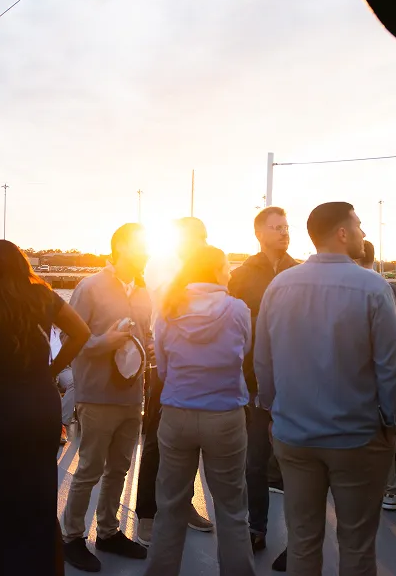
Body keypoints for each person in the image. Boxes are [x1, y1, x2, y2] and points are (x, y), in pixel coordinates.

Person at [255, 202, 396, 576]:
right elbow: (390, 368)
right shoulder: (374, 287)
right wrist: (391, 422)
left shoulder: (279, 285)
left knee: (303, 540)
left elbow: (263, 359)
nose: (363, 233)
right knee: (356, 545)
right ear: (342, 233)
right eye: (358, 225)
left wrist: (275, 412)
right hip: (356, 438)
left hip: (294, 436)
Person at [0, 240, 91, 575]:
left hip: (2, 414)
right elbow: (81, 332)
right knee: (39, 496)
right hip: (42, 409)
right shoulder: (45, 298)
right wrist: (50, 371)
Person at [142, 246, 254, 576]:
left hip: (176, 414)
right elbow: (243, 354)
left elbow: (162, 368)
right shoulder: (237, 310)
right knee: (232, 509)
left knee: (170, 507)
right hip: (225, 416)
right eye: (226, 267)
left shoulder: (168, 309)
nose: (230, 273)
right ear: (216, 271)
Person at [60, 223, 153, 572]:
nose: (146, 253)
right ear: (120, 249)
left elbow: (143, 337)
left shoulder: (143, 291)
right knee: (90, 469)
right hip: (97, 395)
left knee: (120, 468)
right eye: (140, 247)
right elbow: (73, 340)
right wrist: (106, 342)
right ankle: (70, 537)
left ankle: (109, 530)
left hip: (132, 395)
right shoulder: (90, 287)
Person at [135, 217, 214, 546]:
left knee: (192, 435)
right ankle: (146, 514)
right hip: (166, 361)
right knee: (156, 435)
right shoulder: (160, 265)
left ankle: (182, 502)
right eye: (195, 238)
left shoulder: (204, 266)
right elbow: (172, 301)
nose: (201, 243)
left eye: (204, 237)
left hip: (201, 361)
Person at [228, 205, 297, 571]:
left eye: (287, 226)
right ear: (260, 233)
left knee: (295, 464)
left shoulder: (301, 272)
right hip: (253, 381)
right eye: (277, 227)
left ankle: (297, 541)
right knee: (254, 462)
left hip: (295, 382)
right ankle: (257, 527)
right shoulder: (241, 276)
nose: (285, 232)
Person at [355, 240, 396, 511]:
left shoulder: (348, 288)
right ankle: (388, 491)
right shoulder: (391, 290)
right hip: (383, 373)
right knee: (388, 429)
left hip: (352, 376)